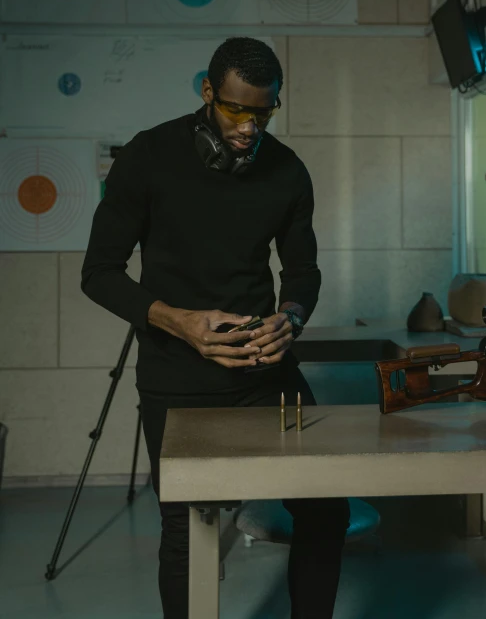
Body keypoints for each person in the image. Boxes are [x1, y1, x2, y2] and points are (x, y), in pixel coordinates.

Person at [81, 36, 349, 619]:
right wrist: (177, 321)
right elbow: (98, 273)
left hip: (265, 372)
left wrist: (292, 319)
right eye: (236, 109)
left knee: (328, 507)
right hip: (175, 377)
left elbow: (303, 271)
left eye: (264, 111)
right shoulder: (147, 157)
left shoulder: (287, 171)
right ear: (208, 92)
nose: (250, 128)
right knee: (187, 526)